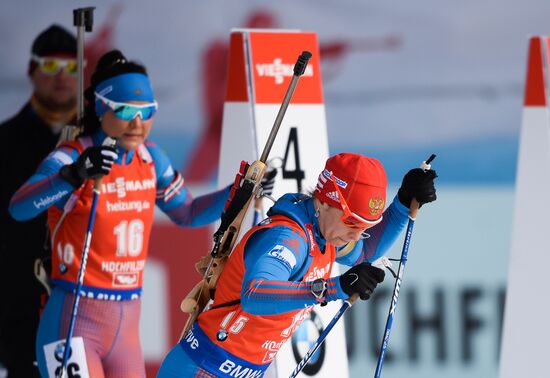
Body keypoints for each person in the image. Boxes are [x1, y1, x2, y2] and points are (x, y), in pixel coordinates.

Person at [8, 49, 241, 378]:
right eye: (125, 111)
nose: (137, 123)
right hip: (73, 321)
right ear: (101, 108)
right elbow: (19, 208)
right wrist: (72, 176)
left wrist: (237, 193)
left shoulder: (150, 159)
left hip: (127, 327)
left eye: (147, 112)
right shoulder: (75, 154)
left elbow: (187, 212)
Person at [157, 152, 437, 377]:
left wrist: (401, 204)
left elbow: (365, 251)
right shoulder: (289, 237)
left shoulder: (326, 235)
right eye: (352, 222)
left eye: (365, 226)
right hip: (205, 368)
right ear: (326, 202)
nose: (355, 234)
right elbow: (255, 294)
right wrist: (332, 287)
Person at [0, 24, 78, 377]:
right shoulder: (5, 141)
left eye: (71, 67)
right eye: (50, 66)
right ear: (32, 70)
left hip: (85, 299)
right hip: (19, 300)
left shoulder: (100, 144)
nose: (61, 77)